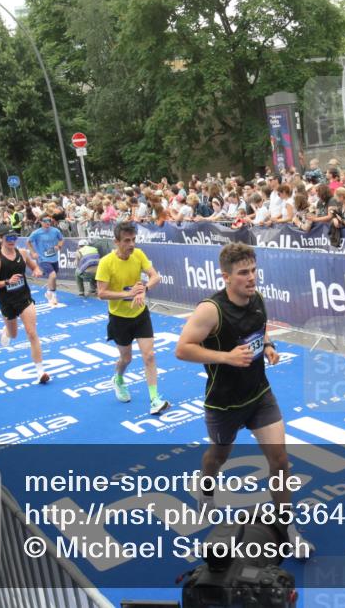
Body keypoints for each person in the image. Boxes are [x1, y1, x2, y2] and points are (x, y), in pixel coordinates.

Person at [174, 242, 313, 557]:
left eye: (253, 270)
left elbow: (259, 330)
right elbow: (182, 349)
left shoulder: (257, 298)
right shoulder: (211, 310)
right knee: (217, 457)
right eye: (243, 273)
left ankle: (287, 529)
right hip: (224, 403)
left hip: (259, 394)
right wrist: (226, 357)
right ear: (226, 276)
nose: (251, 278)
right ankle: (206, 490)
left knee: (280, 461)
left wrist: (269, 346)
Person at [95, 221, 169, 415]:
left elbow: (155, 276)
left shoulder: (138, 254)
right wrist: (127, 294)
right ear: (116, 242)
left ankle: (154, 399)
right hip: (119, 318)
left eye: (133, 239)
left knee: (149, 355)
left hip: (140, 314)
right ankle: (118, 378)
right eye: (127, 241)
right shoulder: (106, 262)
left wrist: (144, 289)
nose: (131, 244)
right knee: (126, 358)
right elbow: (101, 293)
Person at [0, 225, 50, 384]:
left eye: (14, 237)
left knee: (31, 333)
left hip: (24, 298)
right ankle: (6, 331)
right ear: (1, 239)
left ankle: (40, 372)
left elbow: (34, 266)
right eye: (8, 238)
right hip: (7, 301)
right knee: (13, 334)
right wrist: (7, 282)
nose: (12, 241)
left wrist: (37, 270)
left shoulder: (22, 253)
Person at [27, 215, 64, 306]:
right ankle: (52, 295)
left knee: (53, 277)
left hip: (54, 258)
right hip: (42, 258)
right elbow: (28, 242)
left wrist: (59, 246)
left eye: (49, 221)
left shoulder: (55, 231)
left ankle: (49, 293)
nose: (48, 223)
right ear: (41, 222)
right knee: (53, 275)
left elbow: (61, 239)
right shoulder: (36, 233)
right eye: (45, 221)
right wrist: (33, 252)